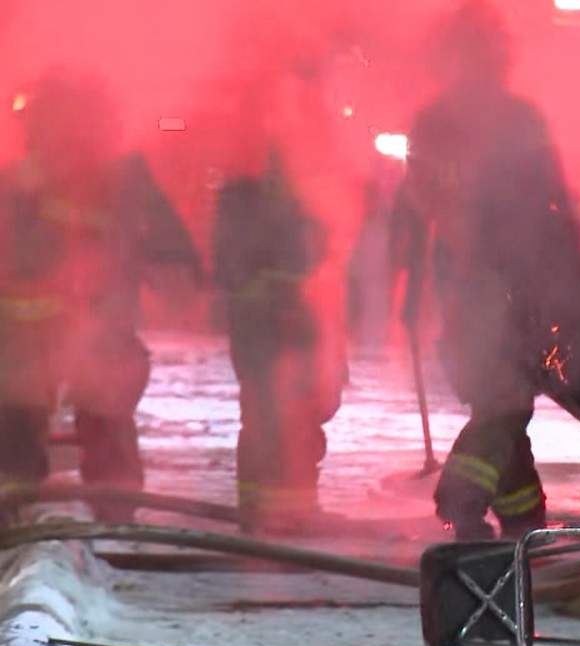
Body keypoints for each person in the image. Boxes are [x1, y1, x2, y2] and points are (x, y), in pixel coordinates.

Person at [404, 0, 580, 541]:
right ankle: (461, 494)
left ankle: (523, 515)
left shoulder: (433, 123)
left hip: (474, 280)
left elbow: (416, 205)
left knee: (499, 395)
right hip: (511, 283)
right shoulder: (514, 119)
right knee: (507, 399)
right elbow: (559, 201)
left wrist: (413, 285)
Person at [0, 70, 202, 522]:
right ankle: (17, 519)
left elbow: (166, 241)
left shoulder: (120, 179)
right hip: (26, 344)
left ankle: (112, 520)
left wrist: (178, 277)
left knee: (105, 422)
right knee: (16, 431)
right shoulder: (18, 182)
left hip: (95, 335)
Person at [211, 62, 352, 533]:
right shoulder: (247, 181)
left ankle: (294, 508)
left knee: (302, 406)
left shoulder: (304, 168)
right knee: (268, 409)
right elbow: (236, 251)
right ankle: (263, 512)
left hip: (299, 307)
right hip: (268, 313)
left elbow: (325, 238)